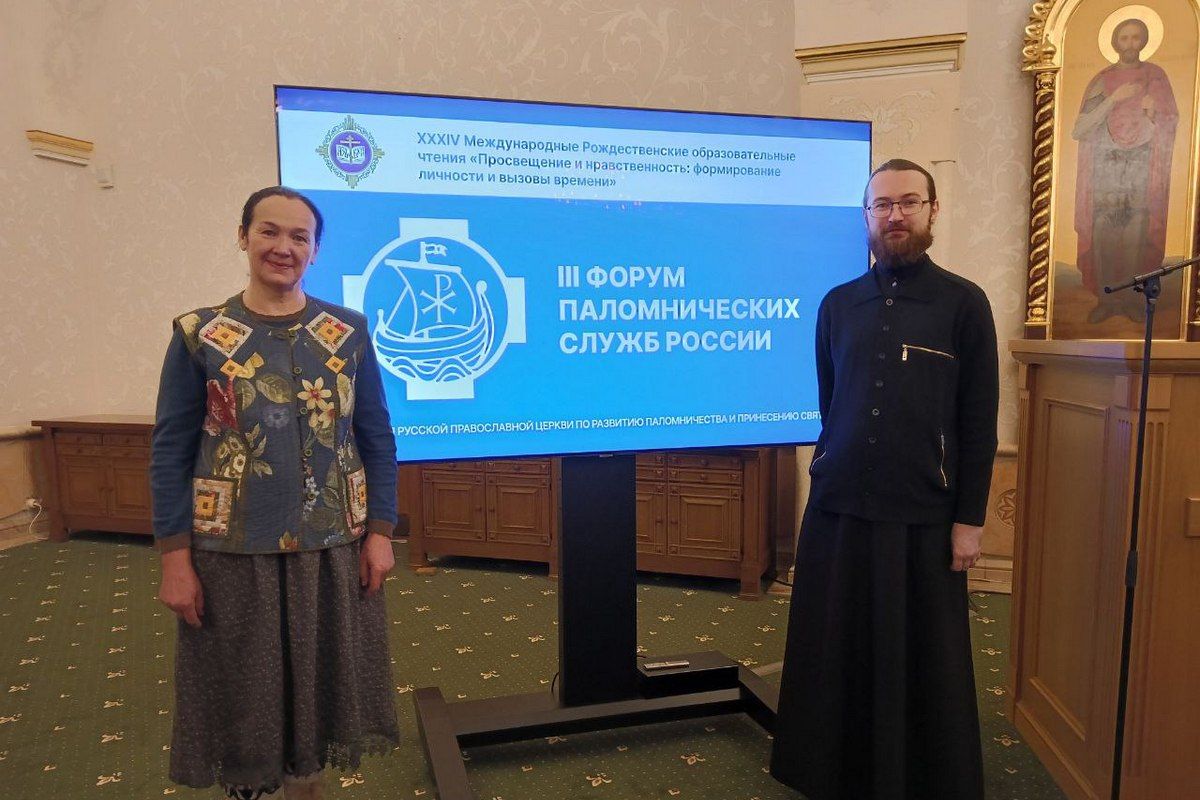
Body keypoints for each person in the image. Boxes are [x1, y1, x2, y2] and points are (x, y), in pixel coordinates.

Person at [150, 186, 400, 799]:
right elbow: (170, 451)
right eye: (268, 231)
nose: (283, 247)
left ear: (315, 251)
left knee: (320, 690)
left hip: (332, 548)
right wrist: (175, 559)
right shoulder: (200, 335)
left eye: (298, 236)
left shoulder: (348, 333)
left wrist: (381, 533)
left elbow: (376, 436)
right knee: (245, 698)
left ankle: (307, 789)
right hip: (233, 554)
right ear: (243, 237)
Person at [769, 159, 998, 800]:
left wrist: (969, 521)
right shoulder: (837, 304)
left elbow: (979, 421)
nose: (896, 215)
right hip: (838, 507)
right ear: (867, 216)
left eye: (909, 202)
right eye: (883, 205)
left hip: (923, 513)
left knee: (920, 655)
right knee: (834, 645)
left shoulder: (964, 303)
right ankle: (831, 771)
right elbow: (831, 402)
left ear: (932, 210)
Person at [1072, 17, 1178, 323]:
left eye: (1136, 37)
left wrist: (1154, 112)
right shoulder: (1102, 80)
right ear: (1115, 42)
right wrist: (1113, 99)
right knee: (1104, 231)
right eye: (1124, 38)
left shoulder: (1156, 77)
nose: (1130, 44)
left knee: (1136, 231)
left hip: (1141, 168)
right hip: (1106, 167)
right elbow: (1080, 128)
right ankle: (1106, 300)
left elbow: (1170, 122)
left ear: (1144, 41)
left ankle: (1131, 300)